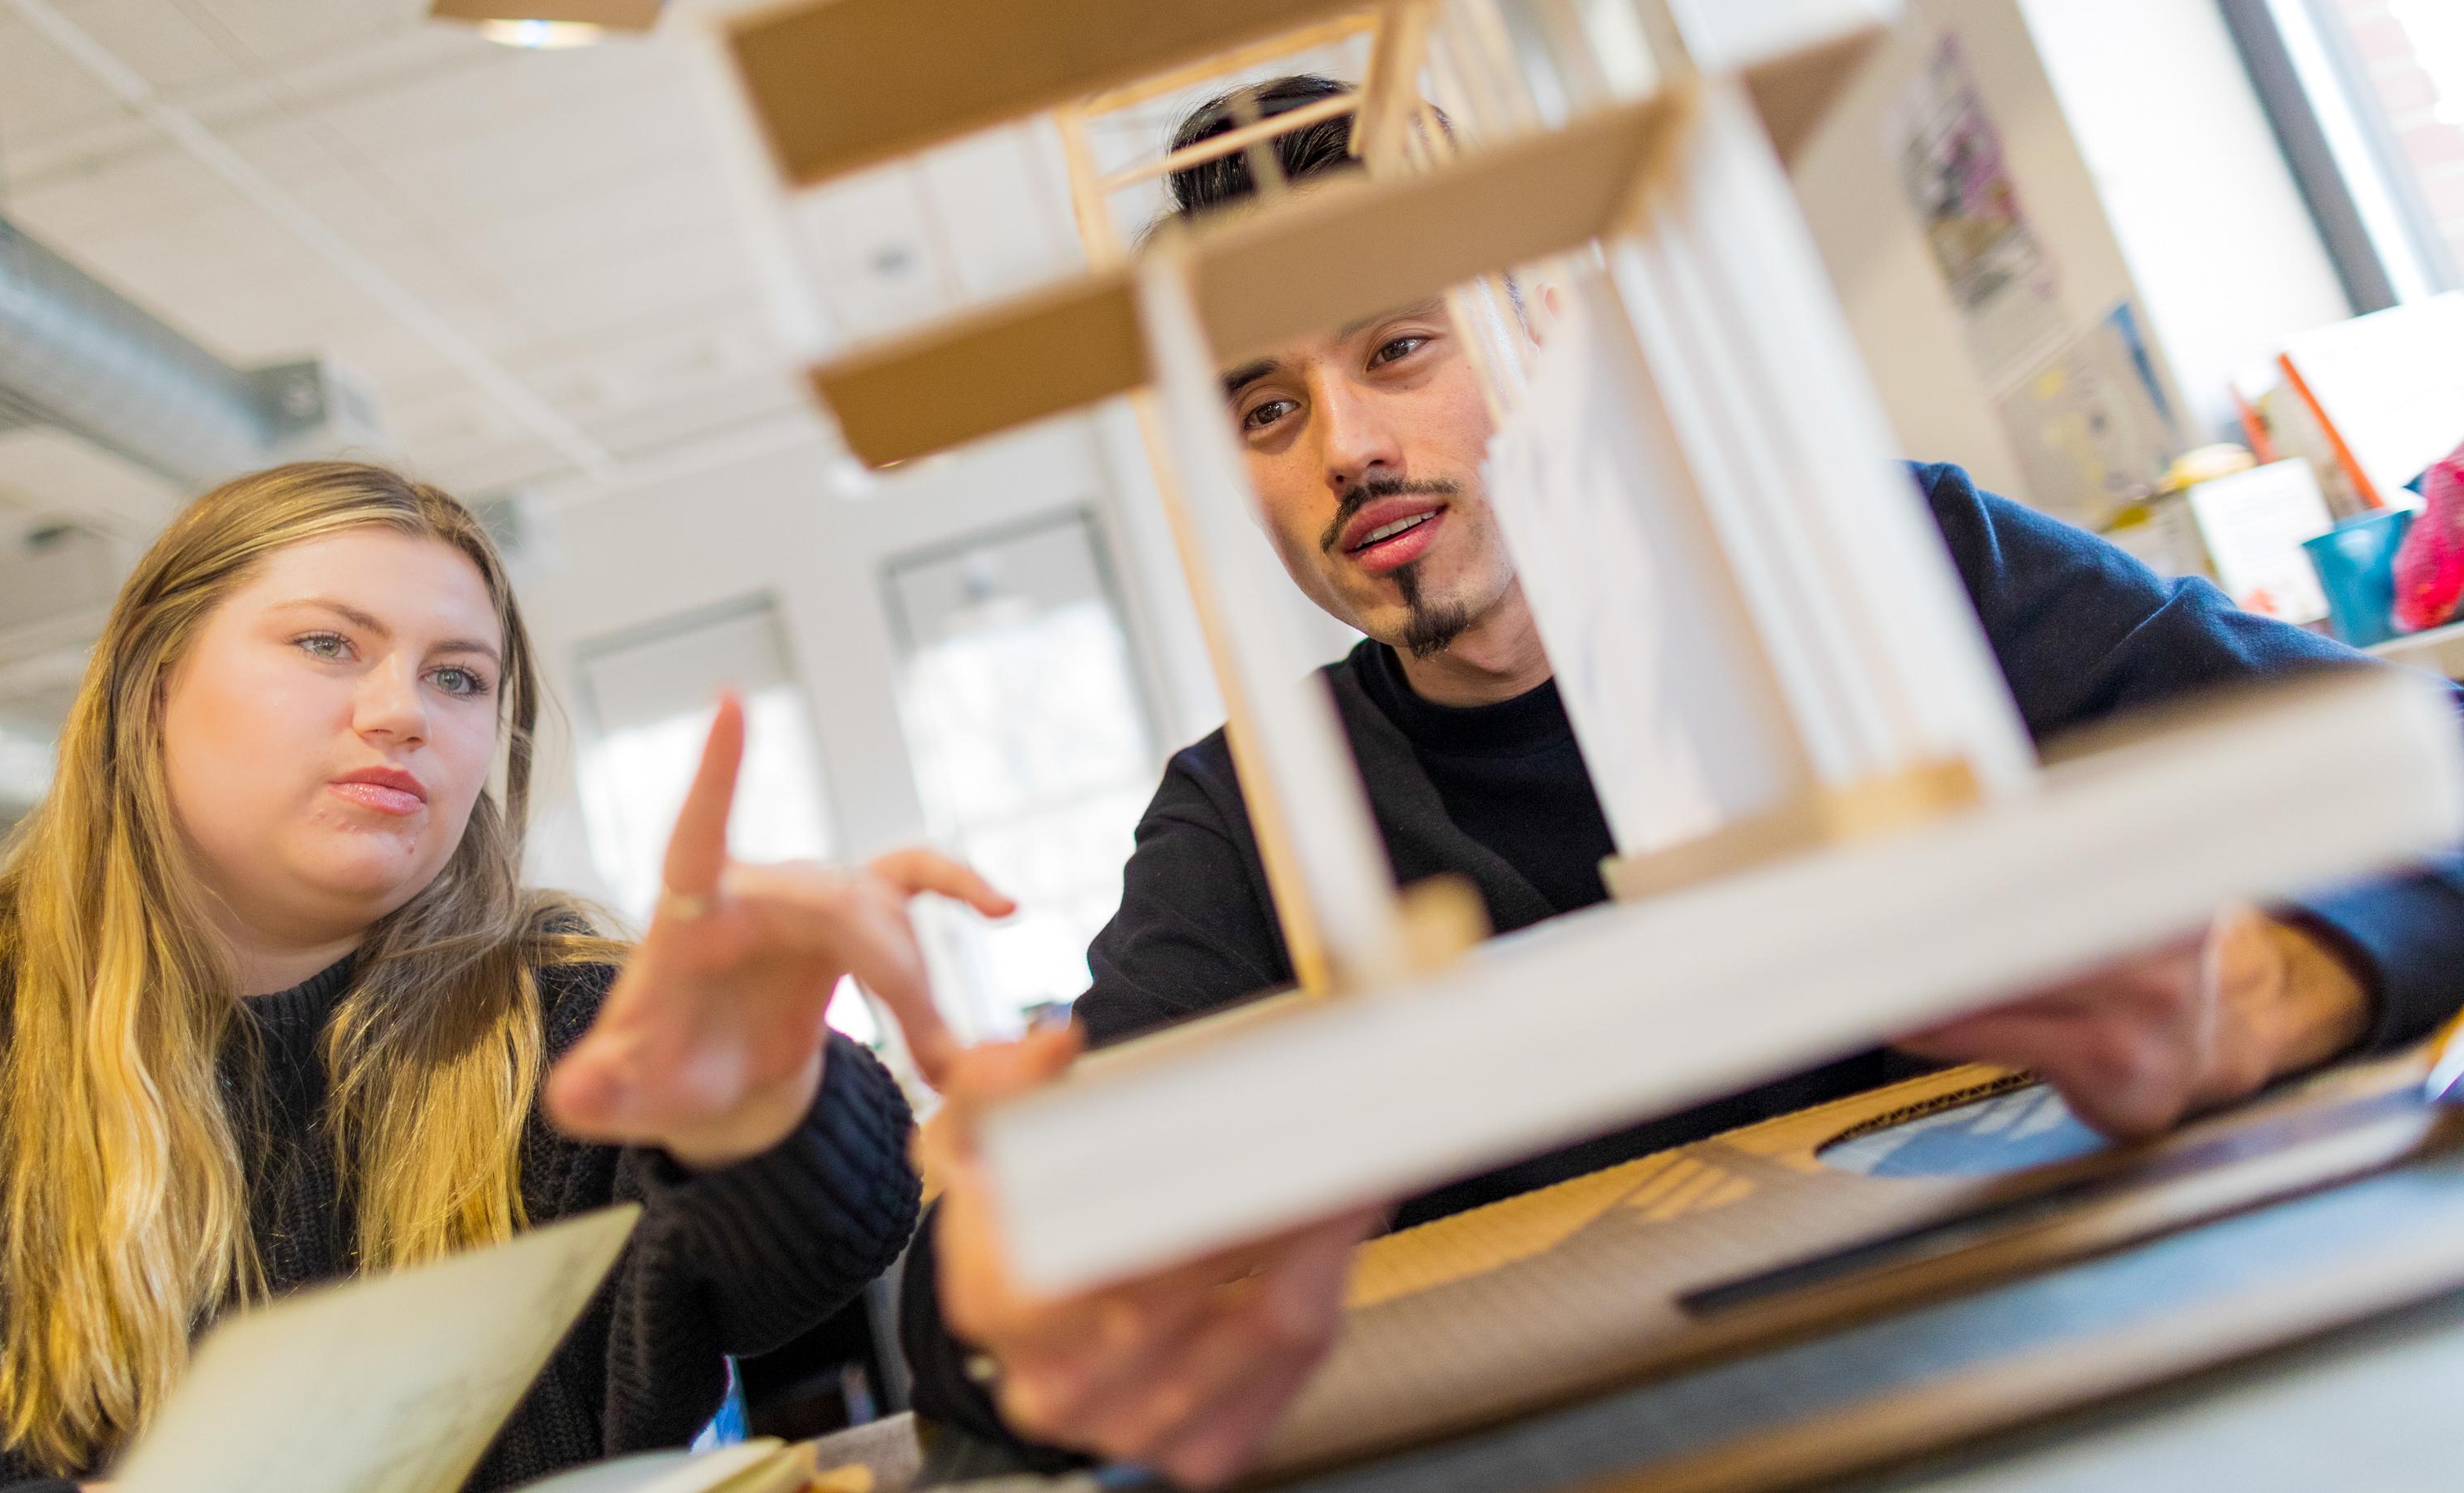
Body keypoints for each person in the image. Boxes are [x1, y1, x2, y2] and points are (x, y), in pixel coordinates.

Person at [899, 74, 2464, 1486]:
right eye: (1266, 408)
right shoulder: (1252, 816)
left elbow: (2435, 764)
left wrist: (2274, 982)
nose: (1346, 448)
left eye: (1394, 347)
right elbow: (982, 1295)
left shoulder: (1884, 569)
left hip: (2086, 1380)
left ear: (1534, 326)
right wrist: (1035, 1287)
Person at [0, 461, 1012, 1493]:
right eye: (329, 646)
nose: (402, 711)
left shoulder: (562, 1021)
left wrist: (767, 1104)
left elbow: (811, 1259)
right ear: (147, 687)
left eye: (458, 678)